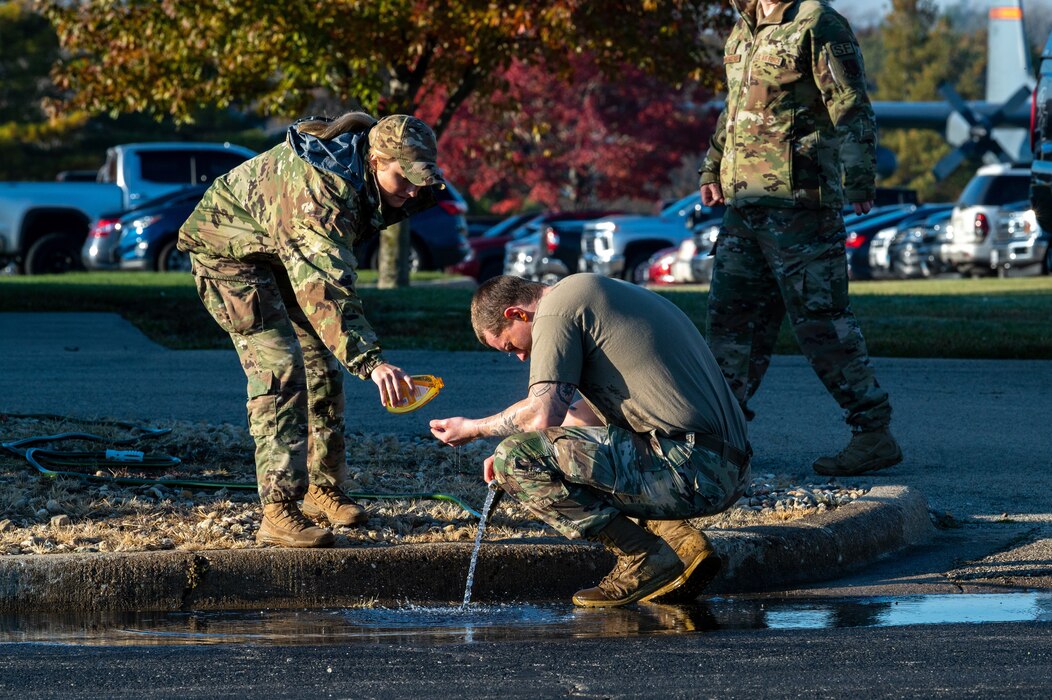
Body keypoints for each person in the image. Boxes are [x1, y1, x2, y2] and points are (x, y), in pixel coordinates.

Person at [178, 112, 445, 547]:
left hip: (281, 251)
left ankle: (323, 489)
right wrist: (373, 363)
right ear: (375, 160)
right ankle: (278, 509)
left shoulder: (361, 174)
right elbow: (326, 290)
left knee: (323, 365)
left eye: (423, 177)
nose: (416, 189)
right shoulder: (320, 194)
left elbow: (324, 277)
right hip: (228, 258)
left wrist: (353, 354)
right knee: (280, 369)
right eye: (407, 177)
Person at [429, 274, 751, 607]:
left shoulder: (556, 311)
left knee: (515, 458)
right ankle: (680, 542)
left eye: (511, 346)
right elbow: (582, 419)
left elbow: (543, 414)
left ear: (516, 314)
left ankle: (642, 556)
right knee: (538, 453)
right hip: (719, 465)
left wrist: (475, 430)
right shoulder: (589, 296)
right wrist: (530, 443)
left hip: (695, 468)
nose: (521, 358)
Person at [699, 0, 902, 476]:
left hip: (801, 205)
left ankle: (873, 433)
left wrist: (858, 181)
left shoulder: (818, 23)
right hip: (743, 207)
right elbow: (734, 109)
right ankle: (722, 438)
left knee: (820, 322)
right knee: (730, 322)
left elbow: (850, 103)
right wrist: (712, 166)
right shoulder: (744, 28)